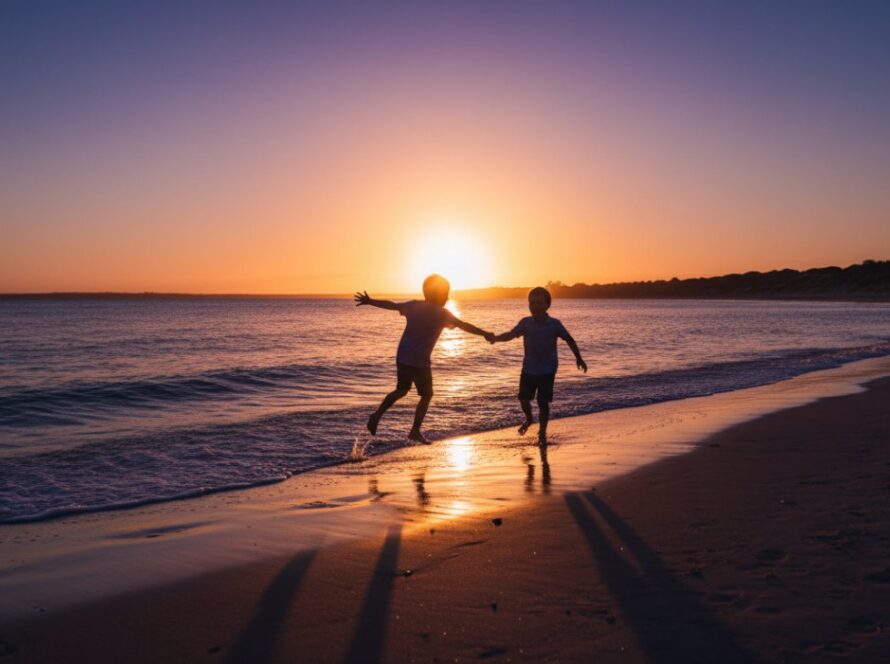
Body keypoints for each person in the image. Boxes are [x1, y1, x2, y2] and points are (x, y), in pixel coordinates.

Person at [354, 274, 493, 443]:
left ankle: (376, 416)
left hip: (403, 357)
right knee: (426, 395)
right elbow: (465, 326)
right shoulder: (443, 314)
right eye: (446, 294)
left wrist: (370, 301)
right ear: (440, 295)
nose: (448, 297)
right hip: (420, 362)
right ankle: (415, 431)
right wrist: (485, 333)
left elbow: (391, 305)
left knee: (401, 390)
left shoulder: (414, 306)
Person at [488, 286, 586, 443]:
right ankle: (529, 419)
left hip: (548, 370)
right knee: (523, 399)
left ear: (547, 305)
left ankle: (542, 432)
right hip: (529, 369)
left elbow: (569, 339)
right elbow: (511, 335)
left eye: (539, 303)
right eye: (532, 303)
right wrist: (496, 339)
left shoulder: (555, 324)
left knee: (543, 402)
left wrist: (578, 358)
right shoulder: (526, 323)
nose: (535, 307)